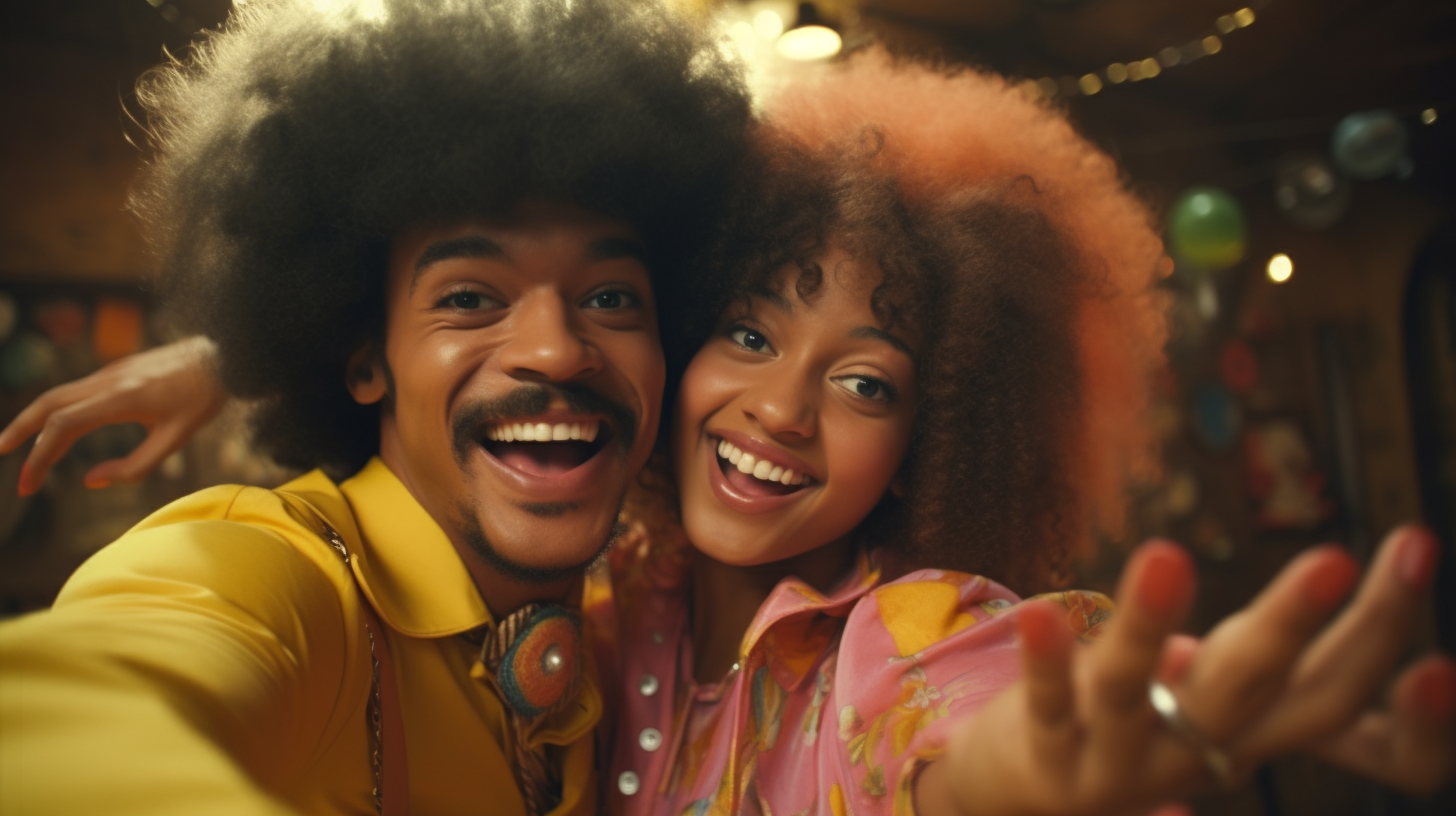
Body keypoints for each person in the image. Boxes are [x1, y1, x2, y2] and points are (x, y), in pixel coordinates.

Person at [5, 42, 1452, 816]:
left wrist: (1042, 770)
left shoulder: (897, 635)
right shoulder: (332, 573)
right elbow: (82, 709)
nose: (776, 403)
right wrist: (261, 347)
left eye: (868, 381)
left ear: (937, 435)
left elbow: (968, 717)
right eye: (749, 334)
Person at [0, 0, 752, 813]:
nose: (557, 350)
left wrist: (217, 363)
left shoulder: (623, 623)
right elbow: (63, 722)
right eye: (468, 297)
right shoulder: (278, 569)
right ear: (365, 357)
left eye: (609, 296)